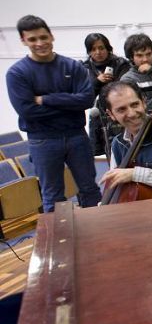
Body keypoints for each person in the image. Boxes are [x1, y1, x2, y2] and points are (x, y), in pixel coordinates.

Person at [6, 15, 102, 212]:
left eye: (43, 37)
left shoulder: (72, 66)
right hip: (42, 140)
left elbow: (85, 100)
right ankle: (59, 241)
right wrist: (69, 102)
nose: (40, 43)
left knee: (89, 189)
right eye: (32, 39)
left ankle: (97, 234)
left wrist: (46, 99)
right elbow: (27, 111)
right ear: (23, 41)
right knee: (53, 195)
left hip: (76, 136)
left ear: (51, 36)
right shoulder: (17, 73)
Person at [82, 33, 132, 155]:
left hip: (120, 112)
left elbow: (124, 90)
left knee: (127, 148)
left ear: (108, 48)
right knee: (108, 150)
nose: (98, 52)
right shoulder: (84, 68)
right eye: (93, 49)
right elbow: (85, 96)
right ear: (88, 52)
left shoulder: (121, 64)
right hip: (99, 115)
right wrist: (97, 81)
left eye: (101, 48)